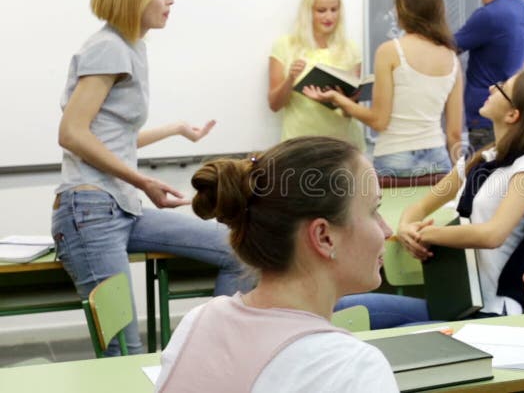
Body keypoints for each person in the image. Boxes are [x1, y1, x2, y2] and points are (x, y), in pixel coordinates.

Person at [52, 0, 249, 357]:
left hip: (120, 207)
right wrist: (142, 180)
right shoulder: (108, 48)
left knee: (238, 251)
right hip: (89, 209)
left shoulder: (129, 46)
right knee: (124, 349)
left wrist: (177, 128)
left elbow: (111, 139)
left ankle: (208, 356)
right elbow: (72, 133)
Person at [155, 137, 398, 392]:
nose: (387, 230)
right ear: (324, 237)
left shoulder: (198, 322)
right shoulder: (352, 368)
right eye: (374, 210)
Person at [337, 70, 524, 327]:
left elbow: (492, 235)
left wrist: (425, 235)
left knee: (402, 338)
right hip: (455, 304)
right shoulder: (484, 158)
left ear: (513, 115)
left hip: (490, 314)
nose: (492, 88)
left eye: (502, 88)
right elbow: (421, 205)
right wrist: (406, 229)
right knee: (343, 307)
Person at [303, 0, 463, 177]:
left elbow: (379, 121)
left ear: (403, 9)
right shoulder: (452, 57)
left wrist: (339, 99)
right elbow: (455, 133)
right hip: (438, 157)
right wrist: (459, 179)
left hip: (395, 156)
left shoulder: (390, 51)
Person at [268, 0, 364, 151]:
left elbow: (350, 112)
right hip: (299, 146)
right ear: (308, 12)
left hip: (343, 147)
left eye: (334, 10)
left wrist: (341, 100)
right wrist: (290, 79)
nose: (329, 17)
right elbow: (274, 104)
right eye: (321, 10)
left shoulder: (350, 49)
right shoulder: (285, 45)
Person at [455, 0, 524, 150]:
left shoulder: (488, 16)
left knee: (485, 179)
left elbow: (450, 47)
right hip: (511, 112)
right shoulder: (522, 7)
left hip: (486, 120)